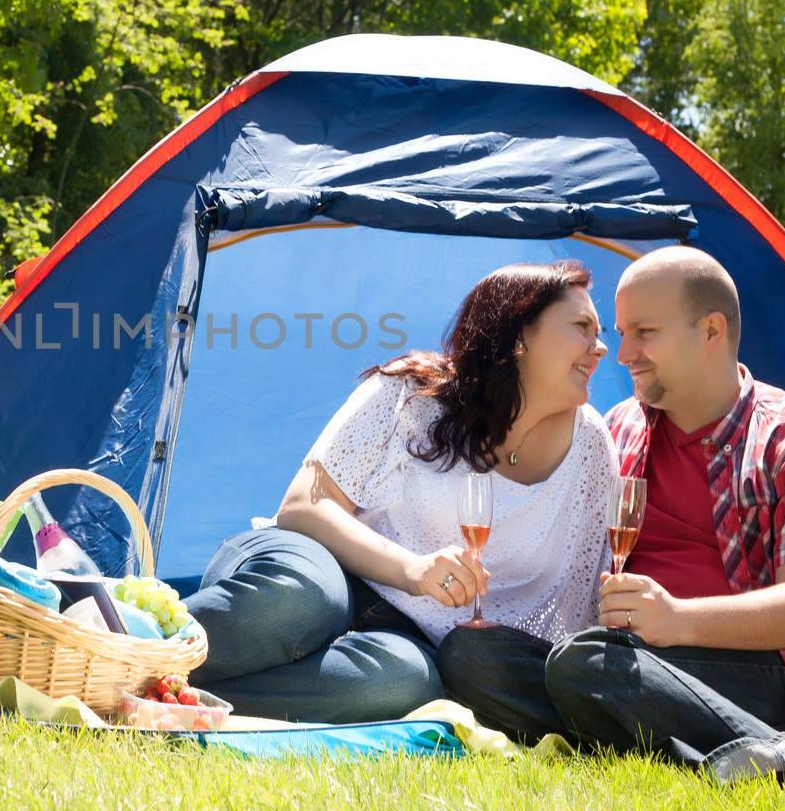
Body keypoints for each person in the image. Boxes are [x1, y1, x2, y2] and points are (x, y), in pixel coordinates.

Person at [438, 246, 785, 808]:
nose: (623, 354)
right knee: (470, 656)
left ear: (711, 330)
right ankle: (686, 752)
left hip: (761, 678)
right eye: (620, 333)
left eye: (644, 332)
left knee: (587, 663)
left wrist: (675, 619)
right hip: (631, 665)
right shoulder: (618, 431)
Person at [184, 261, 616, 723]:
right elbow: (303, 506)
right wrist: (412, 569)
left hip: (404, 638)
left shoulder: (590, 447)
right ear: (519, 337)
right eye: (582, 328)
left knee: (407, 684)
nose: (601, 347)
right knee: (303, 599)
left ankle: (166, 691)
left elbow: (582, 599)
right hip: (315, 561)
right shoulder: (409, 393)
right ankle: (122, 640)